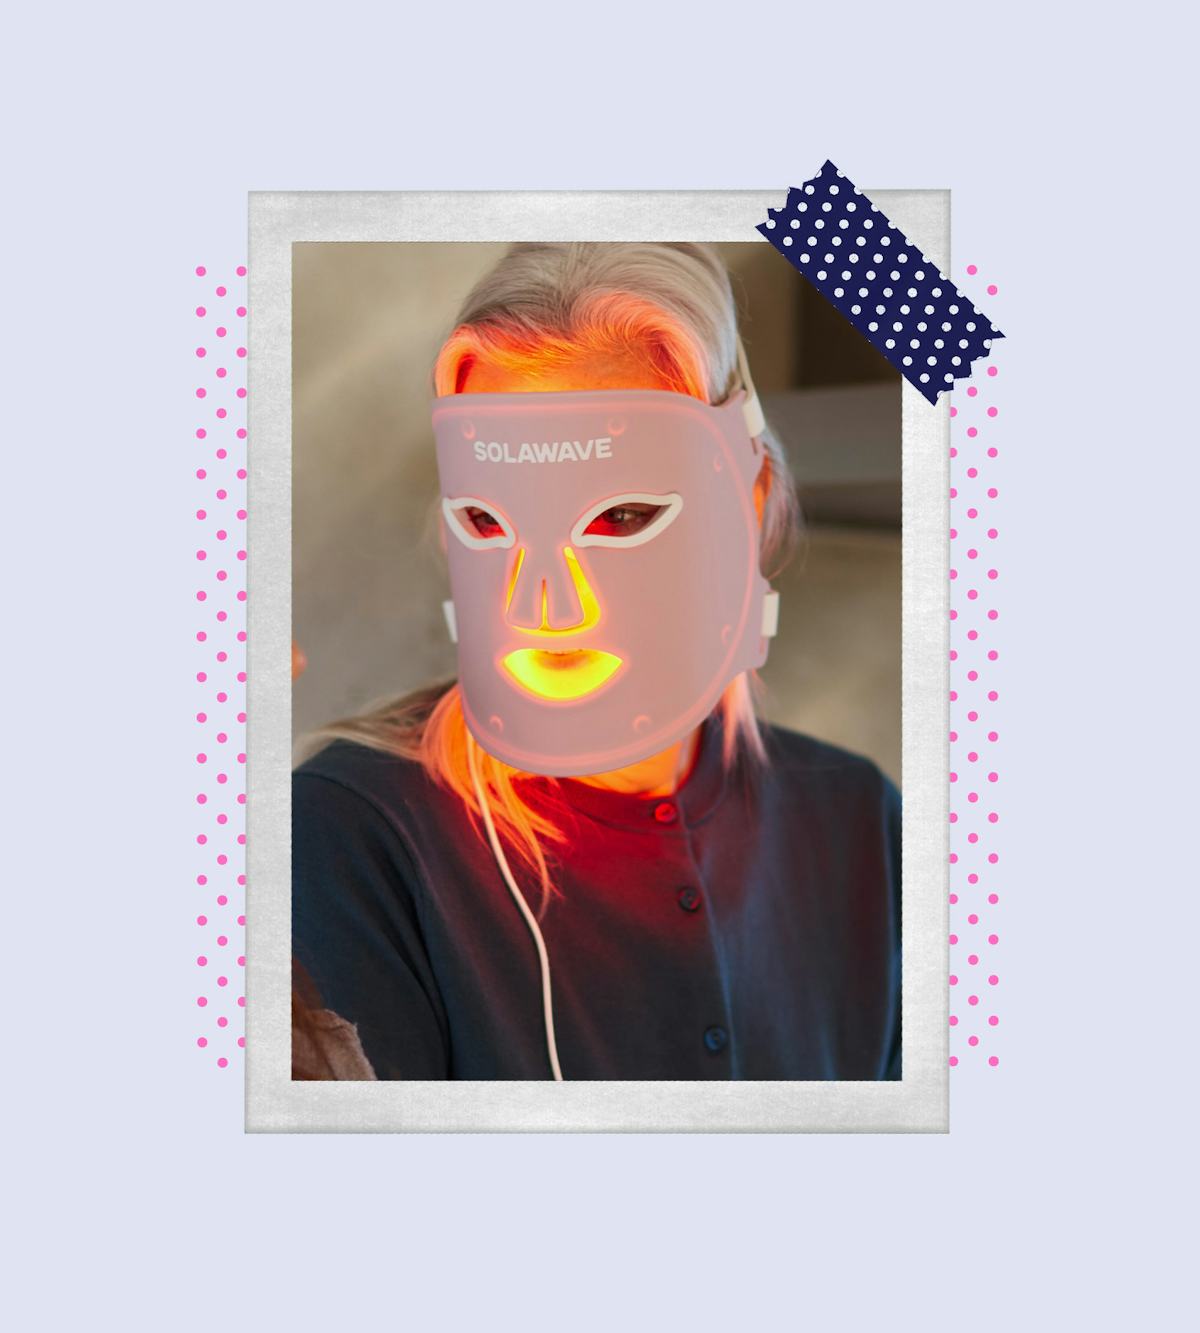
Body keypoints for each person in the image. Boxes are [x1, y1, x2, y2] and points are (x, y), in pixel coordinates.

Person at [291, 241, 901, 1081]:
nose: (546, 606)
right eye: (489, 521)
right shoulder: (348, 837)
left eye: (621, 517)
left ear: (749, 501)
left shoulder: (861, 824)